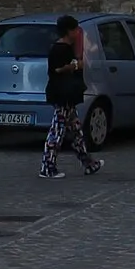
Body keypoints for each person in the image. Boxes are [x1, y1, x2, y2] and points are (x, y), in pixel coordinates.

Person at [40, 14, 101, 179]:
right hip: (62, 94)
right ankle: (48, 167)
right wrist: (75, 65)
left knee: (75, 131)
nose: (77, 33)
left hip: (67, 94)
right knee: (57, 131)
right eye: (75, 30)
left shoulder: (66, 48)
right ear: (69, 31)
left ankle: (89, 163)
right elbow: (57, 70)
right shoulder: (60, 49)